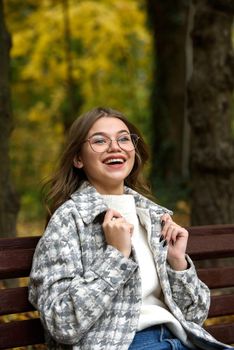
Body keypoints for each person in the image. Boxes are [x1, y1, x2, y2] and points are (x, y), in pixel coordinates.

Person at [29, 107, 232, 350]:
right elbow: (61, 323)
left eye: (124, 138)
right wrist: (115, 257)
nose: (115, 147)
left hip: (182, 341)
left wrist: (178, 264)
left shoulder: (152, 217)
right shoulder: (68, 221)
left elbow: (195, 315)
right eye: (100, 141)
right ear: (78, 158)